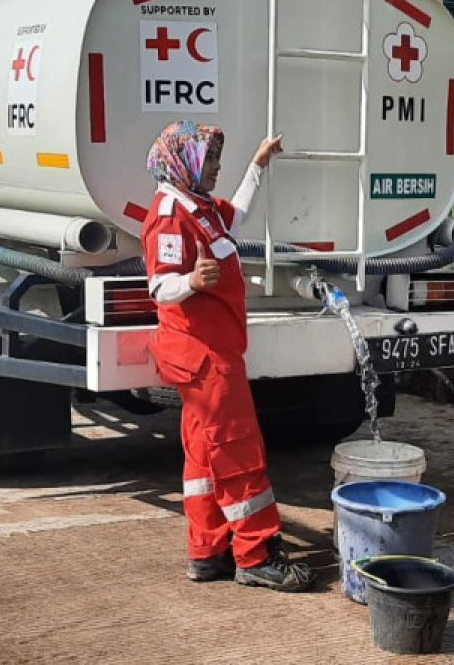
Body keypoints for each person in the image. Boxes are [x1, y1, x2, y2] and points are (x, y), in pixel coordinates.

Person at [141, 120, 315, 591]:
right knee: (239, 453)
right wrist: (193, 282)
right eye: (211, 160)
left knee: (203, 457)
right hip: (205, 358)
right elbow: (160, 285)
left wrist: (258, 166)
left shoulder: (198, 206)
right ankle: (256, 555)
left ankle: (207, 550)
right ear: (185, 163)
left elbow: (235, 216)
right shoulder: (169, 216)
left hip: (211, 353)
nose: (216, 168)